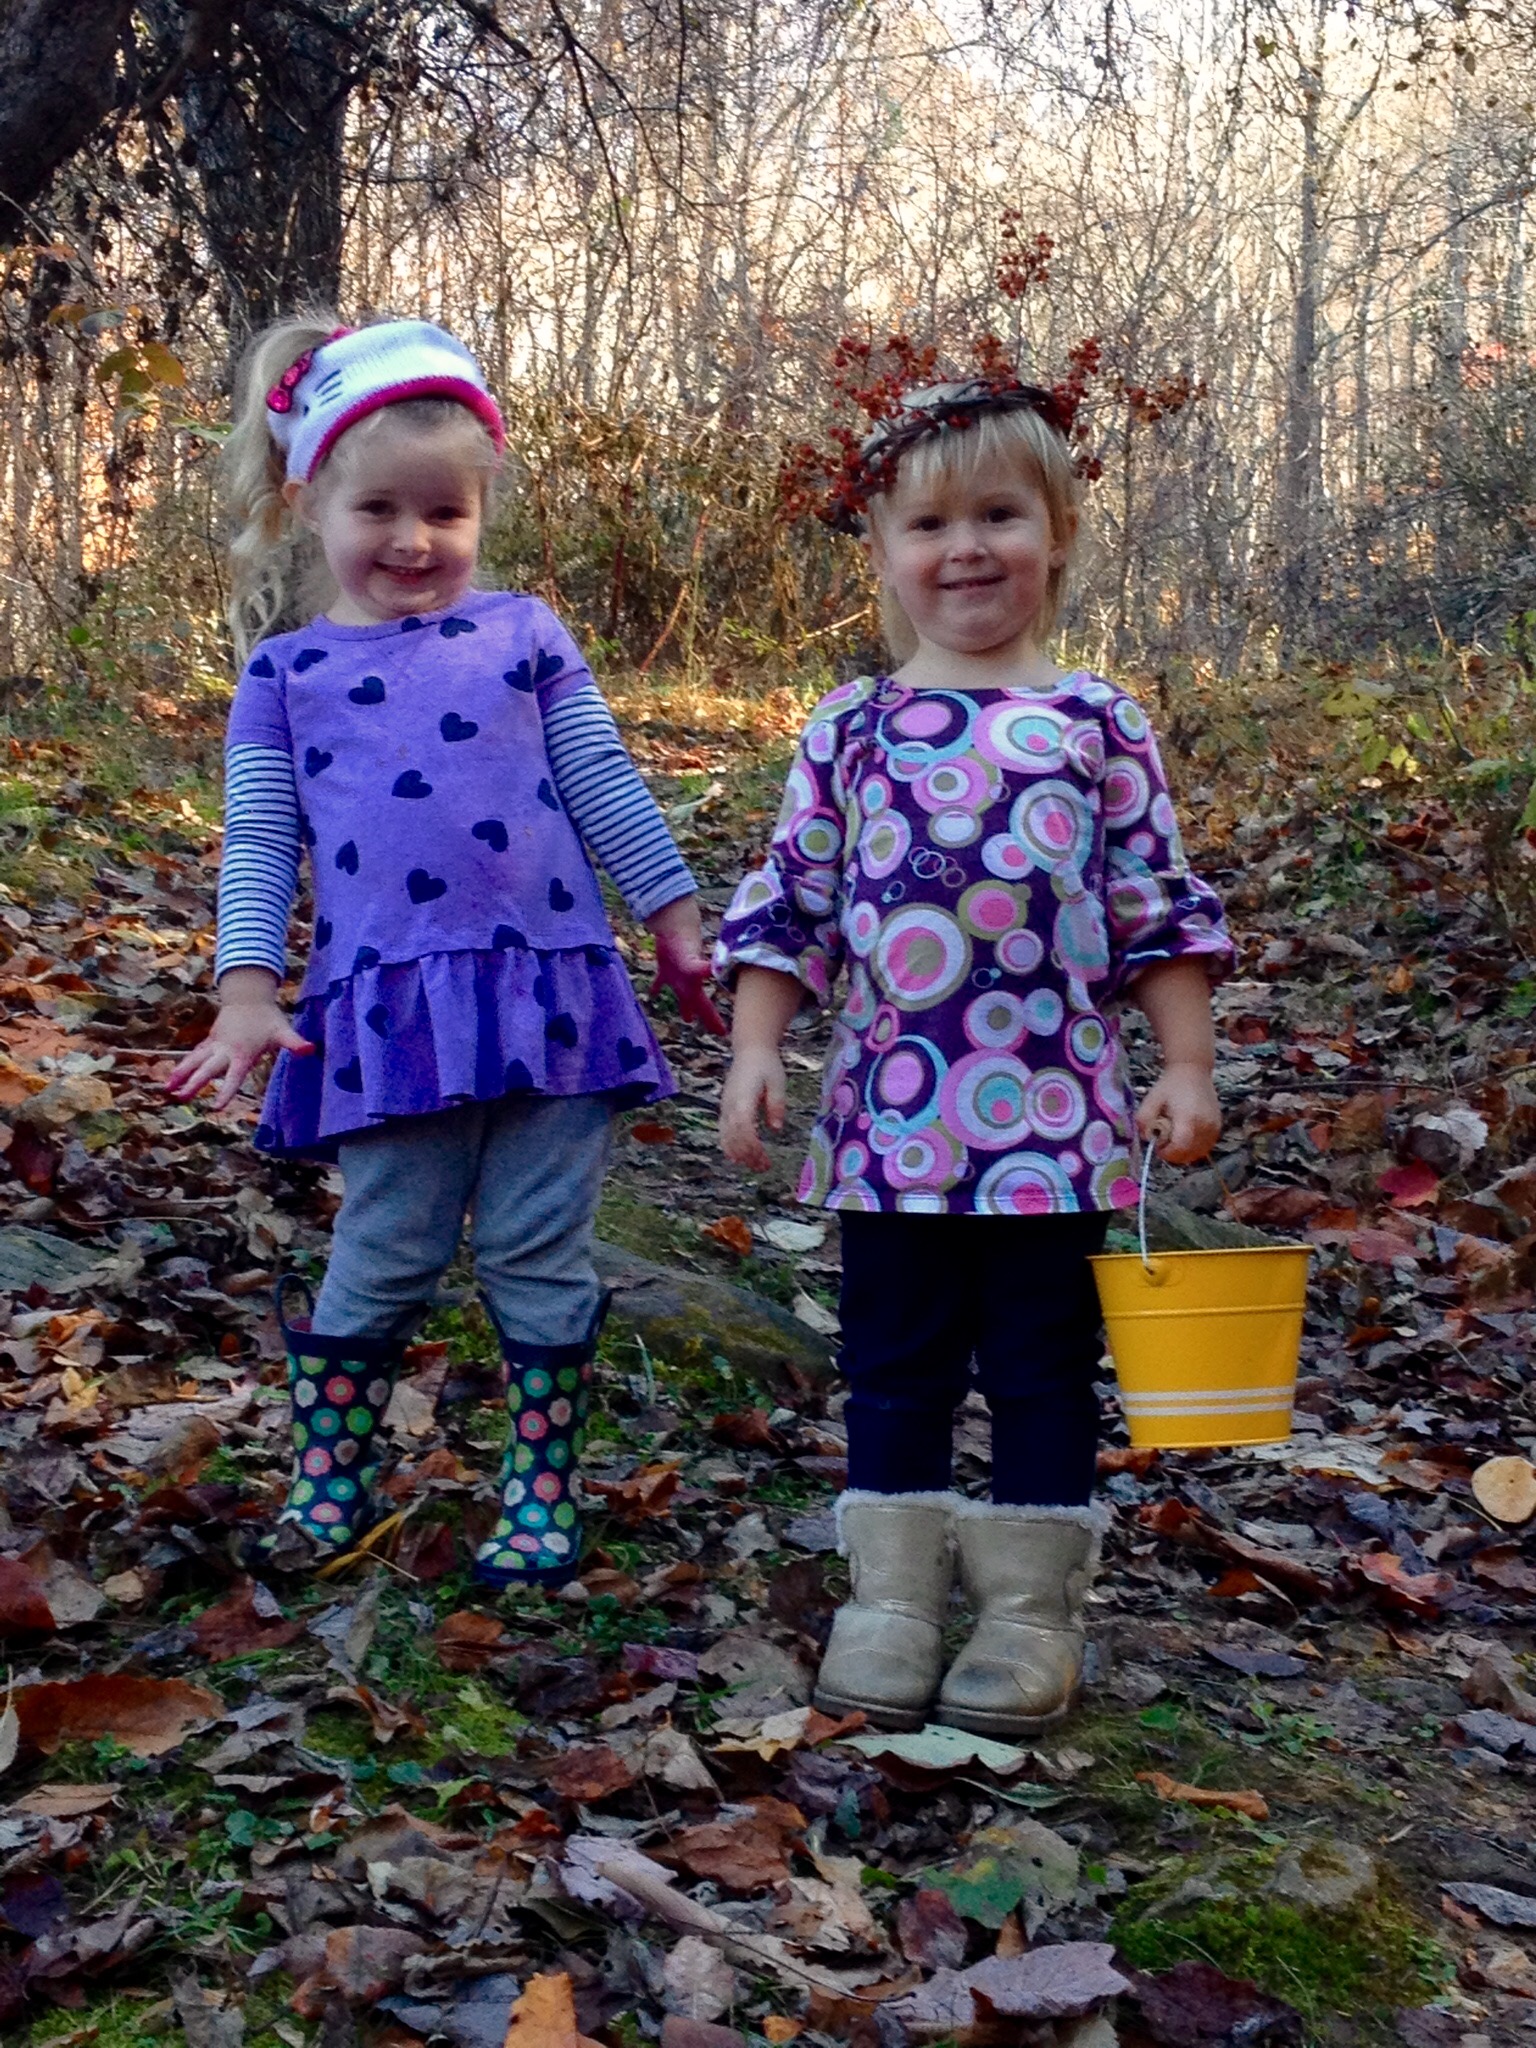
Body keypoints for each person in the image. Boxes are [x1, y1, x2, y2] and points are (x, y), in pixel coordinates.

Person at [715, 373, 1234, 1735]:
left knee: (1043, 1365)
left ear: (1056, 532)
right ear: (883, 551)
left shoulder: (1096, 723)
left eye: (1000, 514)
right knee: (894, 1360)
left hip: (1054, 1132)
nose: (966, 550)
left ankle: (1026, 1613)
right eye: (929, 524)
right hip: (890, 1132)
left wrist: (1183, 1064)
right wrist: (757, 1050)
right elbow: (794, 903)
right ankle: (889, 1600)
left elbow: (1153, 907)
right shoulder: (850, 727)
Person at [167, 314, 721, 1585]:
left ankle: (538, 1490)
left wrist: (675, 918)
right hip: (389, 1008)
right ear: (311, 500)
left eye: (444, 513)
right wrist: (245, 988)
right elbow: (257, 843)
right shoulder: (285, 674)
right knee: (387, 1242)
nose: (413, 541)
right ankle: (332, 1482)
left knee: (538, 1245)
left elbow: (602, 780)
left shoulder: (525, 633)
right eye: (380, 510)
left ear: (480, 510)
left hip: (554, 989)